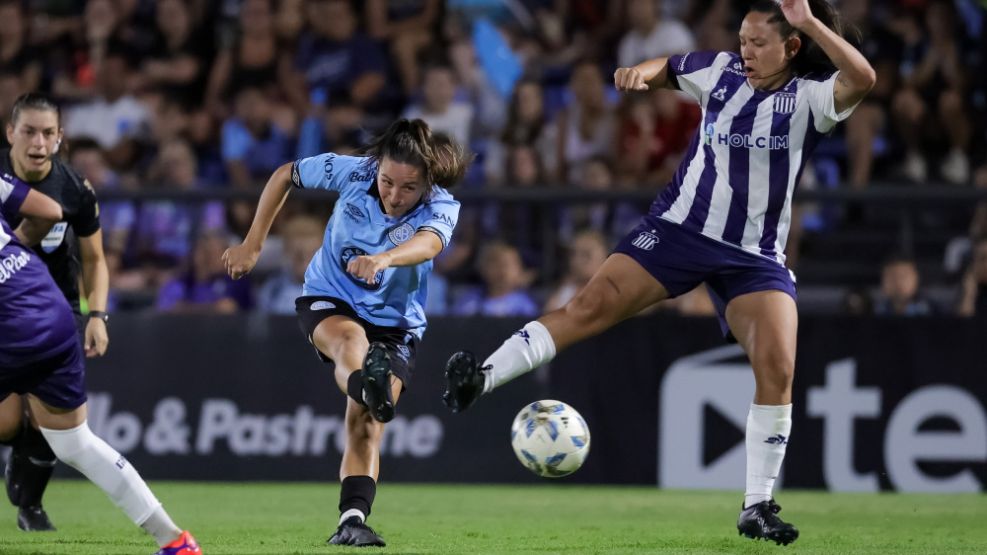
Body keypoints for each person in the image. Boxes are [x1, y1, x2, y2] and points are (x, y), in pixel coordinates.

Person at [443, 0, 875, 546]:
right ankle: (480, 379)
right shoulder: (718, 73)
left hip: (753, 256)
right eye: (741, 39)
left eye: (758, 43)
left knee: (779, 365)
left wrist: (811, 21)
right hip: (677, 232)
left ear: (791, 47)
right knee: (588, 308)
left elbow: (863, 76)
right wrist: (638, 75)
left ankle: (757, 505)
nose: (744, 51)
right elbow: (670, 67)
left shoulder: (811, 99)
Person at [222, 118, 471, 547]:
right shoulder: (353, 170)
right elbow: (286, 174)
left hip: (396, 324)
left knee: (367, 424)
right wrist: (254, 244)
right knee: (350, 343)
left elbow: (429, 244)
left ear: (427, 182)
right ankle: (366, 383)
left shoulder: (442, 204)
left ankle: (352, 520)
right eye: (387, 181)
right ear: (377, 168)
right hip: (329, 296)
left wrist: (386, 259)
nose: (394, 195)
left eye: (407, 188)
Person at [0, 174, 201, 554]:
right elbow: (49, 210)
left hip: (11, 324)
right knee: (75, 443)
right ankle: (175, 541)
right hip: (49, 306)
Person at [0, 92, 111, 531]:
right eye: (29, 131)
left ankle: (31, 504)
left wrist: (98, 316)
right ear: (11, 133)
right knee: (8, 424)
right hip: (5, 308)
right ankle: (18, 447)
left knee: (58, 424)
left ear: (60, 138)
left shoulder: (75, 189)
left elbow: (96, 260)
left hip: (57, 310)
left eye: (48, 133)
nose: (38, 142)